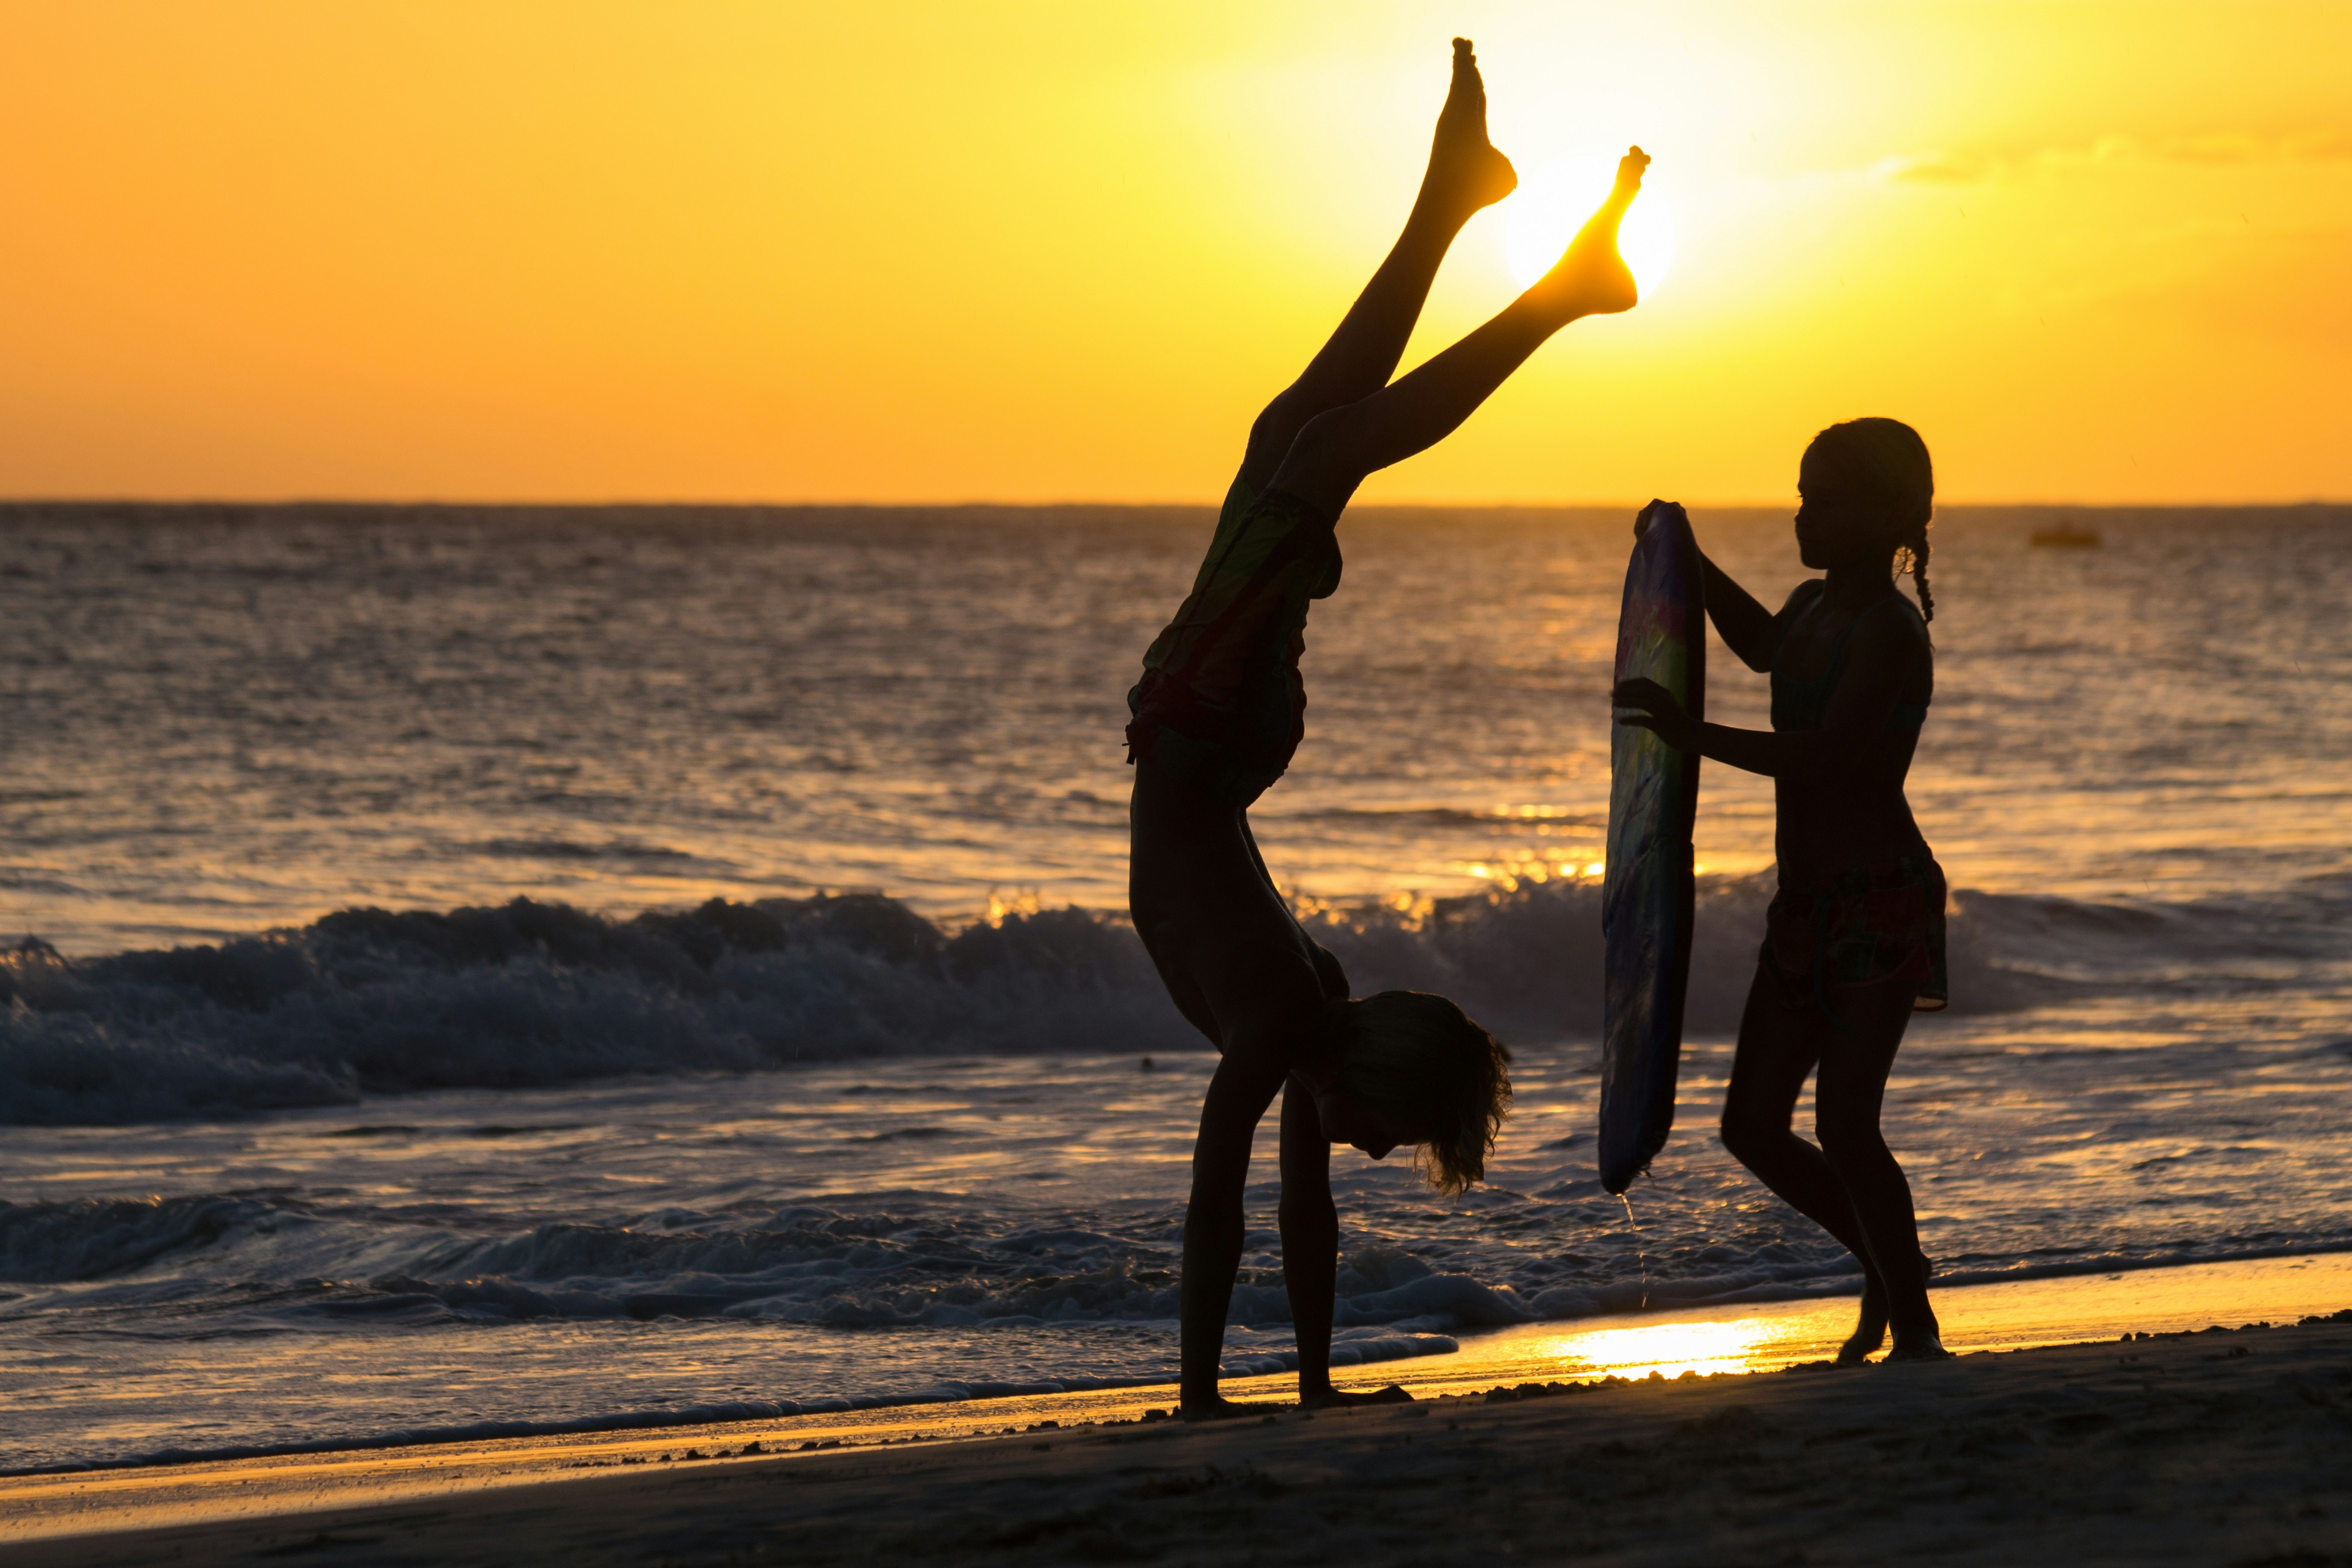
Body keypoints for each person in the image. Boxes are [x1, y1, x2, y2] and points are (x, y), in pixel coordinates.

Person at [1126, 37, 1653, 1418]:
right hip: (1205, 724)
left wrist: (1305, 1389)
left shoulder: (1296, 1039)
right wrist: (1195, 1400)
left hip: (1215, 737)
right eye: (1388, 1131)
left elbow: (1298, 1226)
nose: (1362, 1151)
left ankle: (1449, 200)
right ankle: (1554, 289)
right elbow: (1211, 1211)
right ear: (1369, 1067)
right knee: (1318, 451)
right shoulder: (1280, 1028)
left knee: (1291, 436)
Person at [1612, 418, 1951, 1362]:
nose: (1803, 513)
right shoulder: (1809, 608)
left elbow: (1830, 758)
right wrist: (1685, 559)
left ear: (1888, 517)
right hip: (1802, 905)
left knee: (1846, 1125)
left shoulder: (1890, 631)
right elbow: (1762, 645)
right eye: (1800, 493)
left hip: (1877, 902)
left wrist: (1690, 736)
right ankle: (1893, 1272)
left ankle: (1911, 1324)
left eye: (1825, 500)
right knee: (1751, 1126)